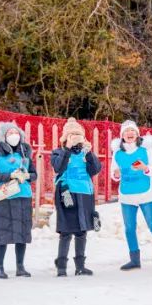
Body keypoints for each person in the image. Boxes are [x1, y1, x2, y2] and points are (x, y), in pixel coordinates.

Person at [111, 120, 152, 271]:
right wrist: (116, 174)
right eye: (126, 132)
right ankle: (134, 260)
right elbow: (114, 174)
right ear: (122, 136)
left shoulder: (147, 151)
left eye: (132, 131)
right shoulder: (117, 153)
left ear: (137, 134)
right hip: (127, 196)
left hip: (147, 194)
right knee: (129, 228)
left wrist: (145, 168)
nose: (129, 134)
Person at [0, 121, 37, 279]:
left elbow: (34, 174)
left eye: (16, 133)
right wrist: (10, 176)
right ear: (3, 136)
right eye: (9, 133)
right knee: (3, 231)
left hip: (23, 196)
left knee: (22, 232)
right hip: (5, 196)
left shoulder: (25, 152)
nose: (13, 135)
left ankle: (20, 267)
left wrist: (27, 176)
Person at [51, 118, 101, 277]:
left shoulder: (86, 153)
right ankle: (61, 267)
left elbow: (95, 170)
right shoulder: (58, 152)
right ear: (65, 137)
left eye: (78, 135)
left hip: (85, 193)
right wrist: (67, 149)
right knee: (66, 231)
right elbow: (58, 167)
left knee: (82, 230)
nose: (75, 138)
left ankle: (80, 266)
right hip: (66, 192)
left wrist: (90, 153)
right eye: (71, 135)